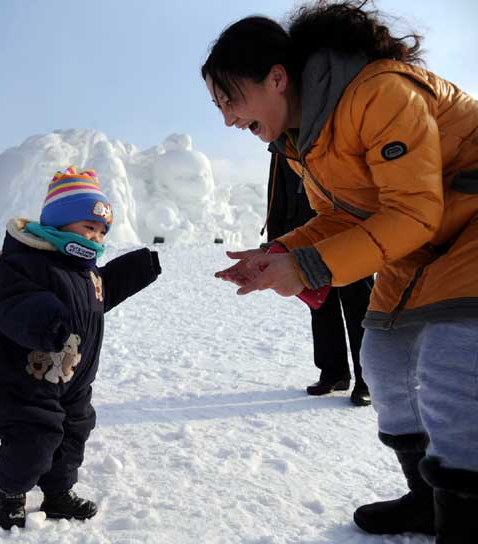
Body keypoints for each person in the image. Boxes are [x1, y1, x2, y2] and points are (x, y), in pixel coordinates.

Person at [201, 2, 478, 541]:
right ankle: (429, 498)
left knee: (452, 363)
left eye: (230, 99)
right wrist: (279, 250)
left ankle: (466, 517)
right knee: (383, 360)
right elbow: (338, 216)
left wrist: (305, 266)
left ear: (277, 79)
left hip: (468, 227)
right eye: (219, 107)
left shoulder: (380, 94)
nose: (229, 119)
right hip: (416, 242)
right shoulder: (306, 139)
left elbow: (413, 210)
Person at [0, 167, 161, 529]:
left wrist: (137, 269)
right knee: (34, 438)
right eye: (88, 226)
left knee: (74, 434)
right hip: (21, 379)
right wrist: (47, 322)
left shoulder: (84, 271)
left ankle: (58, 493)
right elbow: (9, 302)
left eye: (102, 231)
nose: (96, 235)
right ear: (59, 222)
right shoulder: (25, 262)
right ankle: (11, 492)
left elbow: (98, 297)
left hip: (72, 381)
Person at [265, 153, 373, 406]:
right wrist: (276, 238)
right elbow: (276, 192)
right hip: (304, 234)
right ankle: (334, 372)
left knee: (360, 303)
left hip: (348, 229)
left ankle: (367, 378)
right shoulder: (281, 139)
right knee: (320, 303)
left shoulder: (334, 127)